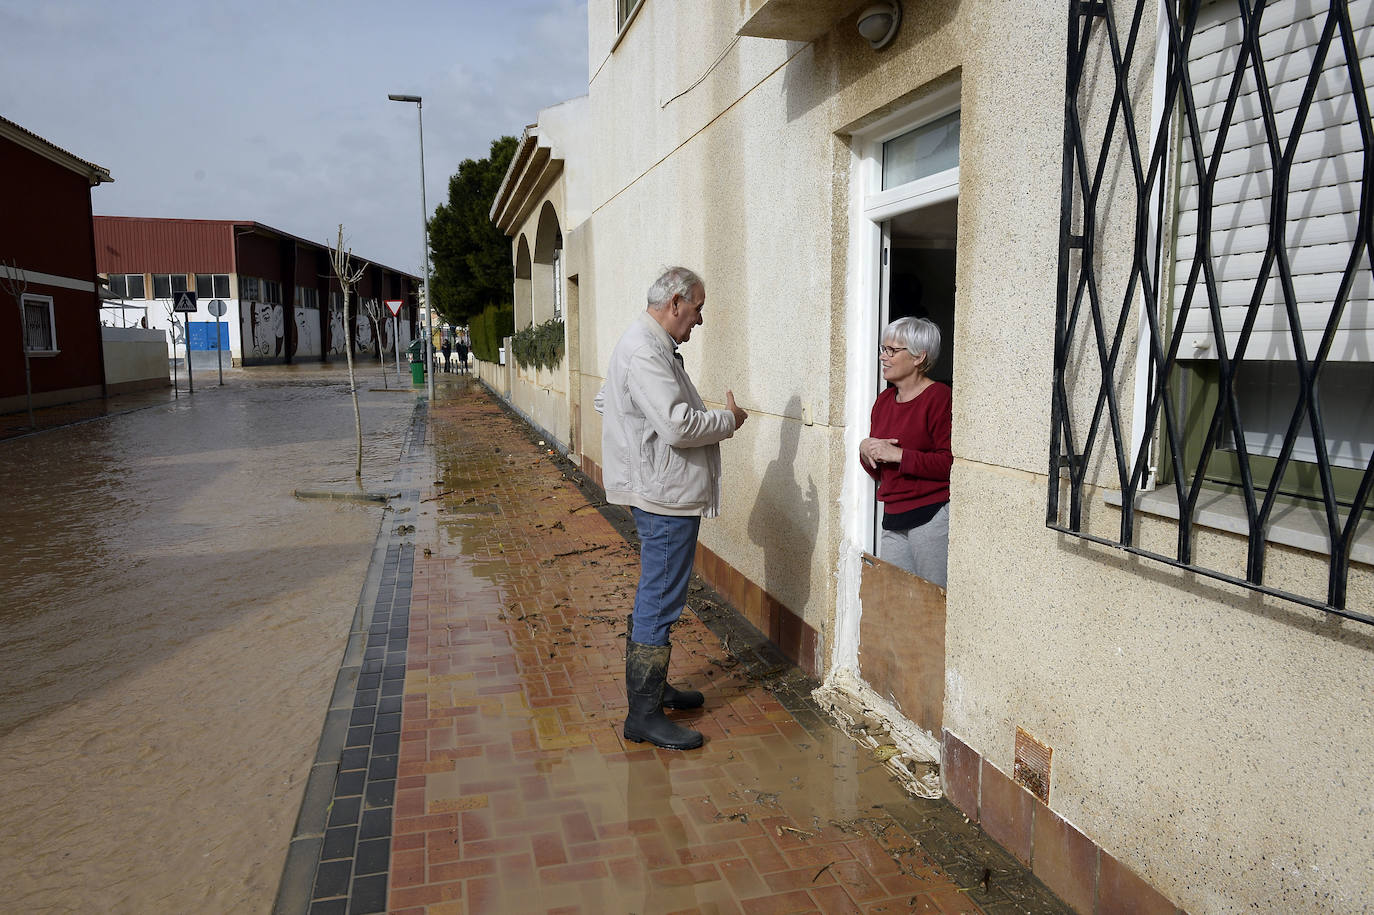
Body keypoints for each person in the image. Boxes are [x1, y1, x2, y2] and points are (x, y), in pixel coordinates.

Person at [595, 266, 747, 751]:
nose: (699, 320)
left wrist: (639, 435)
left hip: (660, 489)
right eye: (697, 309)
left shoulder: (647, 344)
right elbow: (680, 427)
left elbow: (607, 400)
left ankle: (653, 691)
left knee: (657, 594)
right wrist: (727, 419)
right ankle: (642, 716)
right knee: (660, 598)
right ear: (676, 302)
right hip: (663, 498)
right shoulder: (645, 349)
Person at [859, 316, 952, 588]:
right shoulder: (884, 401)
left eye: (891, 350)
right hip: (893, 518)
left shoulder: (939, 397)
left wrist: (899, 456)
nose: (883, 357)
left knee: (934, 601)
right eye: (882, 349)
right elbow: (879, 469)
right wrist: (865, 449)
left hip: (931, 518)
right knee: (898, 603)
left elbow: (949, 464)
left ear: (918, 357)